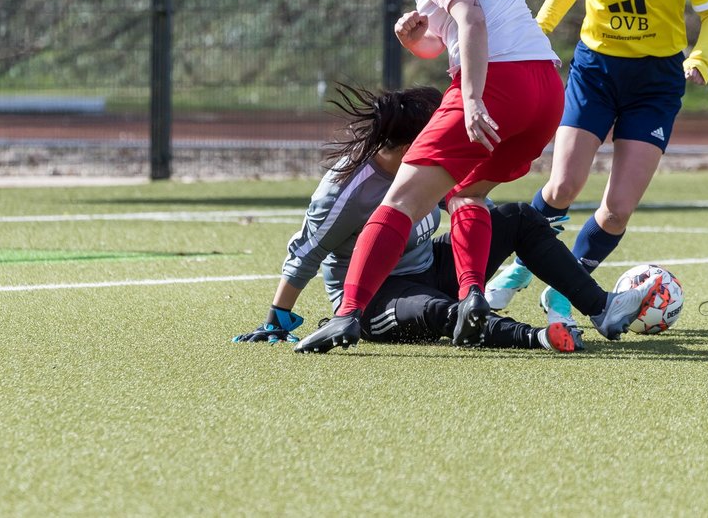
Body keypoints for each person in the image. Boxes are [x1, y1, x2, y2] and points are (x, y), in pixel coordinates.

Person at [297, 0, 625, 353]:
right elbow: (454, 31)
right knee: (468, 196)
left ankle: (346, 316)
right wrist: (418, 41)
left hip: (501, 82)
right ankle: (473, 295)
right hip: (544, 87)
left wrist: (472, 99)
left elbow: (471, 18)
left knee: (400, 203)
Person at [485, 0, 708, 325]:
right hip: (595, 72)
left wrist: (700, 57)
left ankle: (564, 291)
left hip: (656, 84)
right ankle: (519, 269)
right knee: (562, 185)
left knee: (616, 211)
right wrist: (535, 38)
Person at [235, 84, 658, 353]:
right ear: (411, 144)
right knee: (443, 311)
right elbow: (305, 253)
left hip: (428, 265)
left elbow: (466, 208)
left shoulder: (427, 167)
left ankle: (600, 307)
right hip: (378, 298)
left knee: (521, 218)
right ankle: (535, 337)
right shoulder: (346, 190)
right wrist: (278, 319)